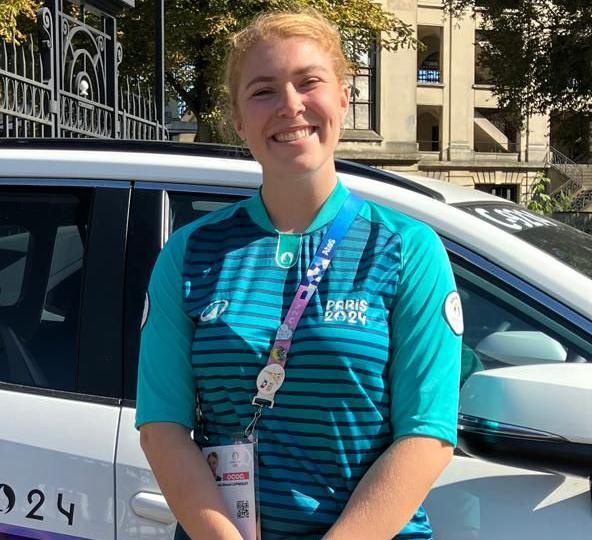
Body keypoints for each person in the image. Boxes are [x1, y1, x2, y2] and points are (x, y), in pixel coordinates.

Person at [136, 10, 462, 539]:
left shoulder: (407, 250)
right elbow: (162, 427)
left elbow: (427, 437)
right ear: (238, 121)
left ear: (343, 98)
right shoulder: (189, 253)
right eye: (263, 91)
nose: (290, 104)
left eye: (309, 82)